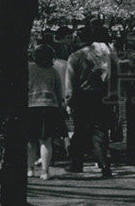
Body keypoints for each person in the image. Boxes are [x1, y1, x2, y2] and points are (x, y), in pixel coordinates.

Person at [65, 22, 118, 178]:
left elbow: (71, 83)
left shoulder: (75, 56)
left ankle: (77, 164)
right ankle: (104, 164)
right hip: (102, 96)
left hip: (82, 97)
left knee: (80, 130)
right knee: (101, 132)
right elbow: (115, 78)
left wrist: (69, 101)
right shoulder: (106, 55)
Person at [27, 43, 67, 181]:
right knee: (46, 141)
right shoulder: (53, 71)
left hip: (31, 106)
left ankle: (30, 168)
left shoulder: (29, 68)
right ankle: (45, 171)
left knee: (30, 140)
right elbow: (59, 91)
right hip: (50, 106)